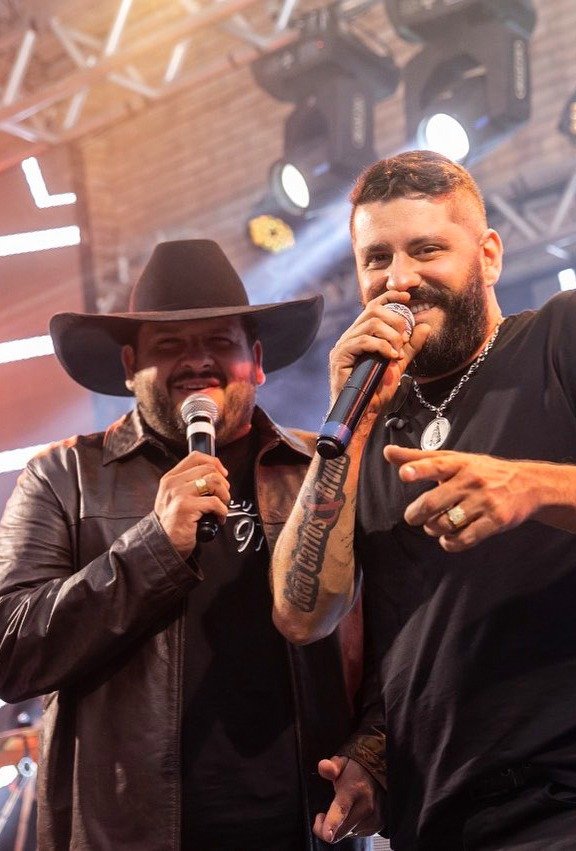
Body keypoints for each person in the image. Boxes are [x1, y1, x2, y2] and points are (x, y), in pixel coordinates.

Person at [270, 151, 576, 850]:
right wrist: (344, 421)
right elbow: (302, 613)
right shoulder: (370, 424)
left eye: (426, 250)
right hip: (436, 819)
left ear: (489, 256)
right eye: (377, 258)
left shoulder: (565, 334)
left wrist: (531, 485)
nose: (399, 279)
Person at [0, 239, 385, 851]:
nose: (197, 360)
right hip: (125, 836)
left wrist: (373, 750)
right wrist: (154, 546)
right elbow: (11, 650)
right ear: (130, 366)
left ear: (256, 360)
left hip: (302, 830)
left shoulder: (322, 470)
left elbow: (396, 633)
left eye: (219, 341)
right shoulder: (63, 478)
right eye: (169, 344)